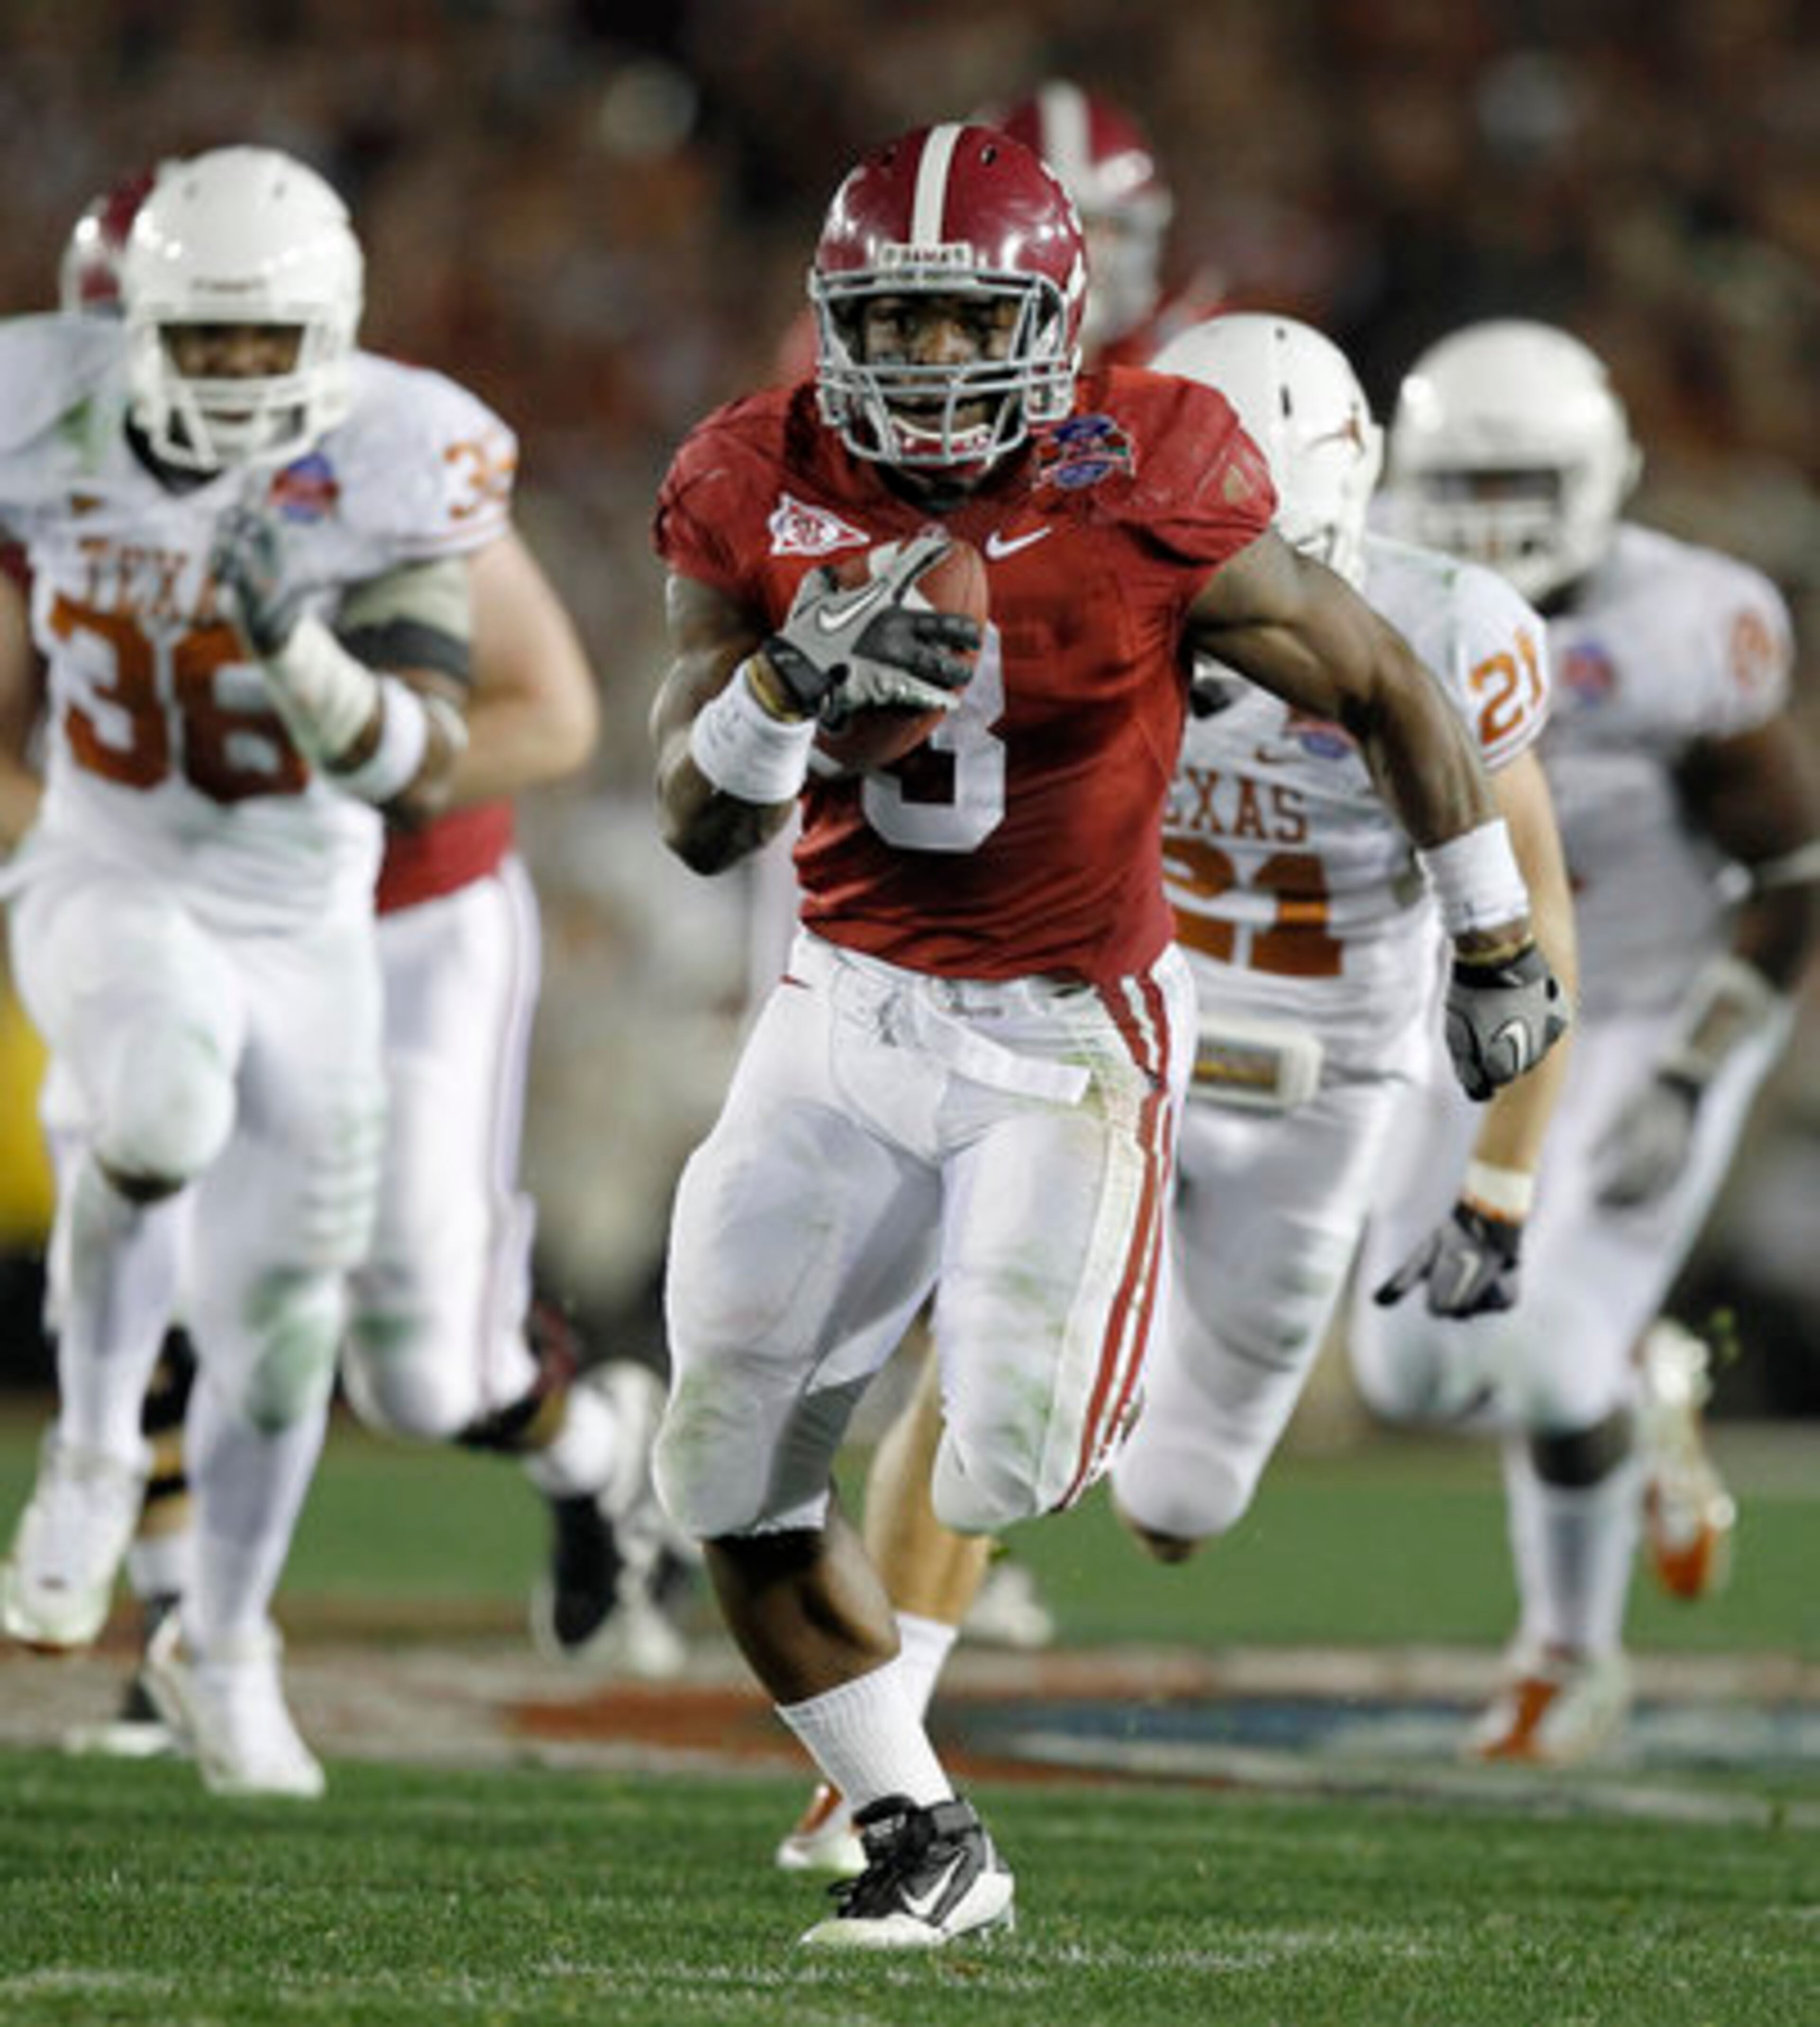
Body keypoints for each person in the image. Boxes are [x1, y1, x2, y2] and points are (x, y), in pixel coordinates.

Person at [647, 122, 1566, 1947]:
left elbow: (1384, 682)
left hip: (1068, 1020)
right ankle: (925, 1834)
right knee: (721, 1462)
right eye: (886, 325)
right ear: (832, 319)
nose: (917, 369)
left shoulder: (1144, 466)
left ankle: (1039, 1318)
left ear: (1054, 324)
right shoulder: (753, 472)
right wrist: (780, 693)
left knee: (1012, 1464)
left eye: (957, 324)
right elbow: (692, 816)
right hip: (845, 1001)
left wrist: (1493, 938)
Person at [14, 174, 689, 1769]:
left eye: (259, 342)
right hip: (176, 892)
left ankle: (590, 1447)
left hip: (408, 914)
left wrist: (360, 738)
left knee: (415, 1366)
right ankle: (189, 1630)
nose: (214, 389)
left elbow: (555, 719)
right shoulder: (48, 460)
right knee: (159, 1190)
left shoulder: (386, 460)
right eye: (176, 340)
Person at [1349, 318, 1820, 1761]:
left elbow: (1792, 877)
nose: (1494, 522)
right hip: (1484, 1004)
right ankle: (1643, 1386)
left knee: (1549, 1352)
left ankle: (1572, 1658)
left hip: (1647, 1005)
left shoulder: (1688, 628)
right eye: (1467, 486)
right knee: (1409, 1371)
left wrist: (1696, 1067)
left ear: (1604, 476)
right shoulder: (1355, 591)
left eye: (1526, 485)